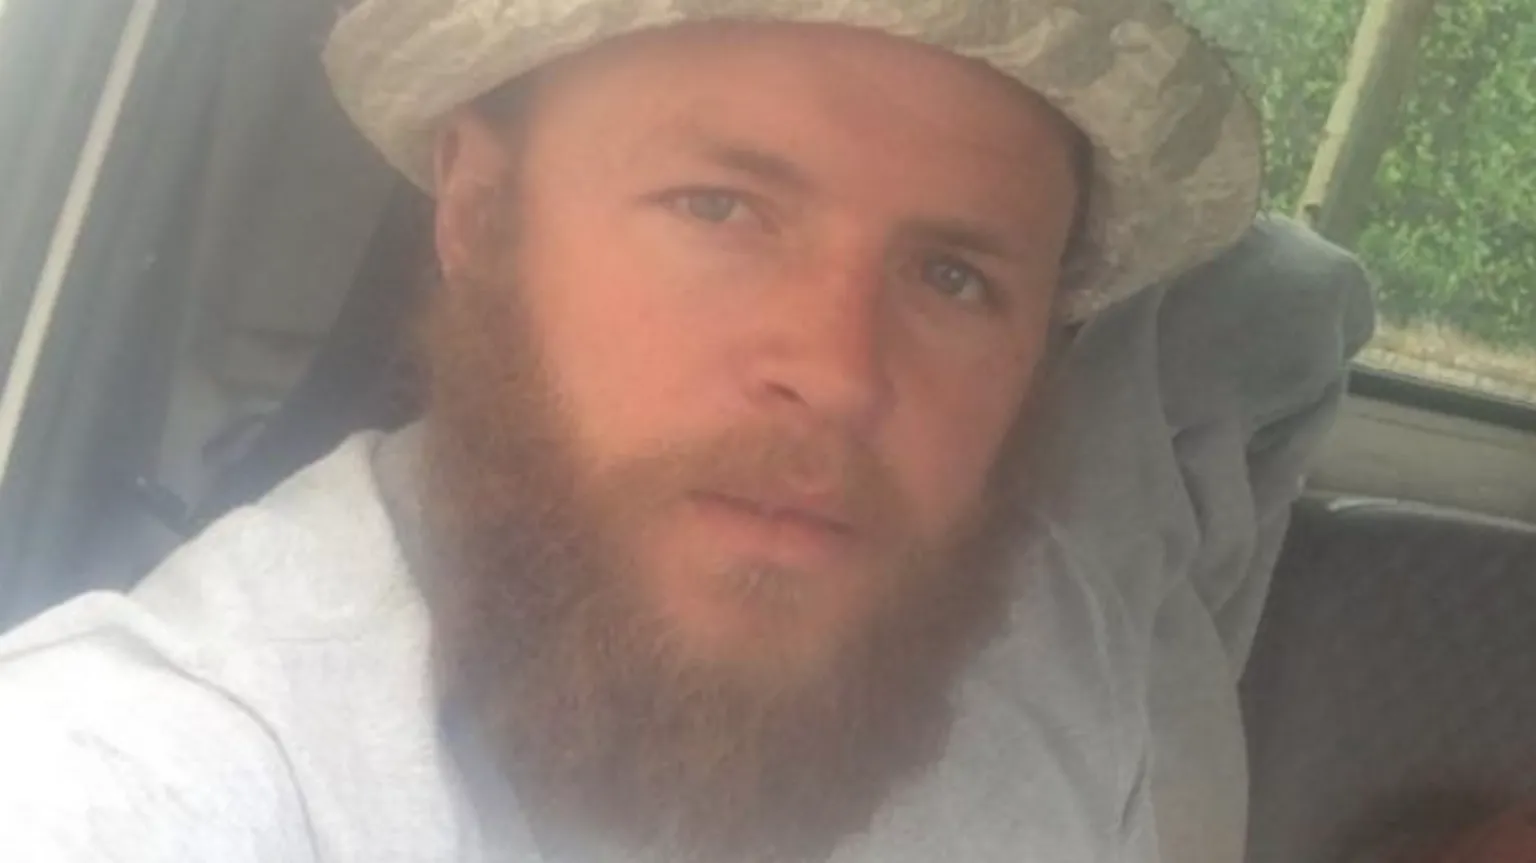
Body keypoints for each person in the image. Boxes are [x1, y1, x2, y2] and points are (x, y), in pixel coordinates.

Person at [0, 1, 1374, 861]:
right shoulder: (168, 764)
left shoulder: (1050, 658)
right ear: (480, 213)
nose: (840, 372)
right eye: (720, 207)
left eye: (954, 276)